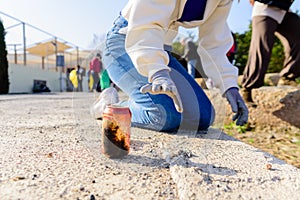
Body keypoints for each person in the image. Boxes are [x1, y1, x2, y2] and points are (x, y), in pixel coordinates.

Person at [101, 0, 248, 132]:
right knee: (163, 115)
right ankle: (109, 106)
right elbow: (146, 24)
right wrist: (157, 71)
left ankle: (138, 101)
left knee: (203, 116)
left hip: (159, 49)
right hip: (125, 42)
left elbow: (214, 43)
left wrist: (229, 86)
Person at [241, 0, 300, 103]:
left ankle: (288, 77)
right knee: (262, 47)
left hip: (284, 11)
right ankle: (248, 89)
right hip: (265, 9)